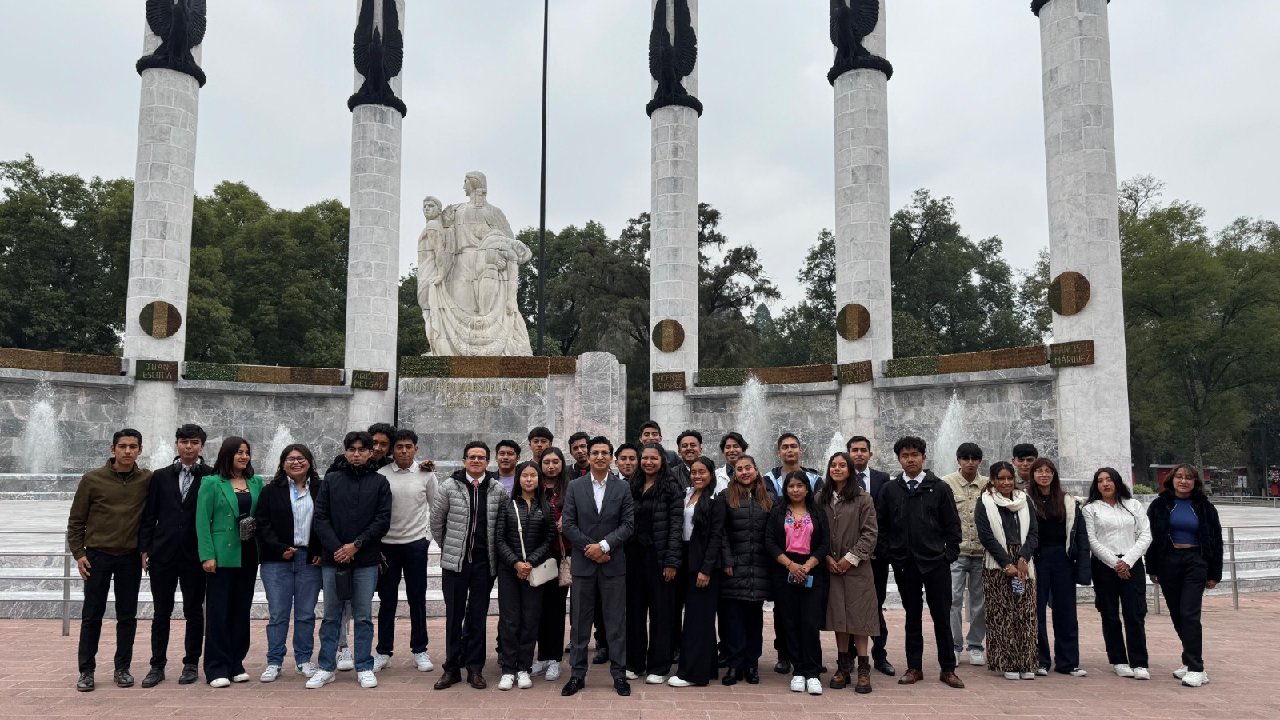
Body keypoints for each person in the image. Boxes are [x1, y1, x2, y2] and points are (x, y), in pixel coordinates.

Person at [876, 436, 964, 688]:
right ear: (899, 459)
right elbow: (881, 527)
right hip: (905, 564)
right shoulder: (890, 490)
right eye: (905, 455)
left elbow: (952, 526)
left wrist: (949, 554)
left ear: (924, 457)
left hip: (936, 563)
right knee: (912, 616)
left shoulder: (939, 487)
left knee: (941, 616)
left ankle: (948, 668)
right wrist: (890, 554)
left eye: (915, 454)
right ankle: (914, 667)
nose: (910, 459)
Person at [68, 428, 152, 692]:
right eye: (123, 446)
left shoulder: (147, 480)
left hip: (129, 557)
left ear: (140, 449)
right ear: (112, 448)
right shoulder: (92, 479)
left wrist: (147, 549)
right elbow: (76, 521)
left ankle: (122, 668)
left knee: (127, 616)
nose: (128, 451)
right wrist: (79, 554)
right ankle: (86, 671)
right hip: (97, 557)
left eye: (133, 446)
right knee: (92, 615)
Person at [307, 431, 393, 690]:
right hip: (333, 559)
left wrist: (355, 546)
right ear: (346, 451)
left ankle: (364, 666)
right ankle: (326, 667)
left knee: (364, 615)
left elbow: (382, 520)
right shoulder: (331, 481)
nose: (357, 454)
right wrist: (337, 548)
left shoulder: (380, 483)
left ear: (370, 453)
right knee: (331, 616)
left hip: (365, 559)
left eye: (362, 449)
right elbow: (320, 518)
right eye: (352, 449)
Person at [561, 436, 636, 697]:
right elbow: (568, 524)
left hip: (613, 565)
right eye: (596, 452)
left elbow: (628, 525)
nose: (600, 456)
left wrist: (603, 547)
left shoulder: (622, 488)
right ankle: (577, 675)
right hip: (583, 566)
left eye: (605, 452)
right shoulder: (575, 486)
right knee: (579, 624)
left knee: (615, 622)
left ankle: (619, 675)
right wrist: (591, 550)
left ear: (611, 457)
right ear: (589, 457)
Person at [430, 441, 507, 690]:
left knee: (477, 617)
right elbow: (436, 522)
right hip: (455, 565)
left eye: (481, 457)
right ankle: (451, 668)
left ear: (487, 462)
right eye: (471, 457)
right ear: (464, 461)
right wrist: (450, 549)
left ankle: (475, 668)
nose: (476, 461)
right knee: (454, 616)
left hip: (484, 565)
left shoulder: (496, 490)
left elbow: (502, 526)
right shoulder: (449, 486)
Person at [137, 423, 210, 688]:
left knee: (194, 611)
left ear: (202, 446)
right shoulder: (160, 476)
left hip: (195, 555)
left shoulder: (212, 477)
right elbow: (149, 516)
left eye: (193, 442)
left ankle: (191, 663)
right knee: (161, 611)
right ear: (176, 444)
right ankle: (157, 665)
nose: (188, 447)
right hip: (163, 554)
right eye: (183, 442)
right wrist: (144, 549)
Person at [1146, 464, 1223, 688]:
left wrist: (1214, 574)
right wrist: (1152, 568)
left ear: (1195, 482)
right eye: (1179, 477)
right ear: (1171, 480)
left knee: (1189, 614)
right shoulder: (1160, 505)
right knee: (1177, 615)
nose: (1183, 481)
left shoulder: (1205, 507)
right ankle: (1189, 661)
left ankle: (1197, 668)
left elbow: (1216, 542)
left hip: (1195, 562)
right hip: (1168, 562)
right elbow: (1150, 538)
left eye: (1189, 478)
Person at [196, 436, 264, 687]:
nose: (243, 456)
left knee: (240, 610)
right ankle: (216, 667)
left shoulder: (256, 482)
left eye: (246, 452)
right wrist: (207, 555)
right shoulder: (212, 483)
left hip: (248, 554)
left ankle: (236, 662)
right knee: (218, 611)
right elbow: (202, 521)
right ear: (227, 455)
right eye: (238, 452)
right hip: (221, 556)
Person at [254, 443, 323, 682]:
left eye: (301, 458)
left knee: (305, 614)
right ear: (283, 463)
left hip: (310, 560)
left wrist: (320, 550)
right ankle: (274, 661)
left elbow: (327, 521)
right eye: (290, 458)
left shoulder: (321, 489)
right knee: (278, 614)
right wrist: (279, 548)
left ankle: (304, 660)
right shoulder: (270, 491)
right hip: (277, 560)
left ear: (309, 462)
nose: (296, 462)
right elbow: (261, 524)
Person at [374, 429, 439, 673]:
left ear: (416, 449)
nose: (403, 450)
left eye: (408, 446)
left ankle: (420, 649)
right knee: (387, 600)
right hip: (387, 546)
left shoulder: (426, 474)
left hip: (415, 545)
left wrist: (427, 538)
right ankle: (383, 651)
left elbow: (436, 507)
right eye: (399, 446)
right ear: (392, 449)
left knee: (417, 599)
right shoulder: (381, 474)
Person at [1082, 467, 1152, 680]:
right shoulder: (1090, 509)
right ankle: (1119, 660)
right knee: (1110, 614)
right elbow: (1092, 541)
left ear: (1117, 482)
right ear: (1096, 485)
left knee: (1135, 613)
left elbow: (1145, 535)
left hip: (1132, 564)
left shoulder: (1133, 505)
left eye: (1109, 479)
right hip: (1104, 566)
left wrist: (1128, 561)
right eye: (1101, 480)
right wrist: (1115, 563)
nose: (1105, 484)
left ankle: (1139, 661)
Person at [817, 451, 879, 693]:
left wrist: (849, 559)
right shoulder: (820, 498)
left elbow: (870, 533)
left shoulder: (863, 499)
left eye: (843, 465)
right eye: (833, 465)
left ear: (851, 470)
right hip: (830, 567)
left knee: (859, 619)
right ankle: (843, 666)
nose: (838, 469)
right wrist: (827, 558)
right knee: (838, 618)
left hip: (857, 568)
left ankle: (864, 668)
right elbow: (814, 530)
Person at [766, 471, 831, 696]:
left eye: (799, 486)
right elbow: (770, 542)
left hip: (812, 571)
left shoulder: (817, 512)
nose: (795, 490)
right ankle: (799, 671)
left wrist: (808, 565)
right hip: (785, 570)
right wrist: (790, 565)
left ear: (807, 488)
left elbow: (825, 543)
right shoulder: (777, 512)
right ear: (785, 489)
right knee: (790, 622)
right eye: (791, 486)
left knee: (810, 622)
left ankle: (813, 672)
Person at [763, 433, 822, 674]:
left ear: (800, 450)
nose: (789, 451)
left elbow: (820, 514)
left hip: (810, 558)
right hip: (781, 555)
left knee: (809, 614)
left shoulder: (816, 479)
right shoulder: (769, 478)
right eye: (785, 447)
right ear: (779, 452)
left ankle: (810, 660)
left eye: (793, 446)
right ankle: (784, 653)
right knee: (783, 610)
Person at [494, 461, 556, 690]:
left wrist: (530, 562)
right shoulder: (507, 505)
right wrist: (516, 563)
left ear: (538, 480)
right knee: (510, 621)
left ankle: (524, 668)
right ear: (518, 479)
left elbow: (548, 540)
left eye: (533, 476)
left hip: (534, 571)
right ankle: (508, 669)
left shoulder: (545, 506)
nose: (529, 479)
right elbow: (499, 539)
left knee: (530, 620)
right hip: (510, 571)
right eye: (525, 476)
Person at [975, 461, 1039, 680]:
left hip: (1024, 562)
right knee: (1001, 614)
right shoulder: (985, 501)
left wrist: (1023, 558)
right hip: (997, 563)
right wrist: (1007, 564)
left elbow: (1033, 533)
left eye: (1009, 478)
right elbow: (986, 536)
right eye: (1000, 478)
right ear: (992, 480)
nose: (1005, 482)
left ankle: (1027, 661)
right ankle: (1007, 663)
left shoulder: (1025, 500)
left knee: (1026, 612)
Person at [624, 443, 682, 684]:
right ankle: (634, 663)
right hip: (633, 558)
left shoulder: (671, 487)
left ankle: (659, 666)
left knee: (661, 614)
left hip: (659, 559)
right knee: (634, 612)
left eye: (653, 458)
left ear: (662, 461)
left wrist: (671, 561)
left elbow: (676, 527)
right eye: (644, 458)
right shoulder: (631, 485)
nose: (648, 462)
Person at [1027, 458, 1090, 677]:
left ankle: (1068, 662)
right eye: (1039, 471)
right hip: (1037, 559)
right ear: (1033, 475)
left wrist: (1082, 567)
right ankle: (1039, 660)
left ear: (1054, 475)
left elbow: (1080, 536)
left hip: (1062, 559)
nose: (1044, 475)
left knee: (1066, 611)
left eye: (1048, 471)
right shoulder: (1025, 500)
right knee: (1035, 611)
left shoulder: (1067, 501)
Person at [667, 457, 725, 688]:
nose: (697, 476)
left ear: (711, 474)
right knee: (699, 618)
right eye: (694, 472)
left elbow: (716, 538)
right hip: (685, 560)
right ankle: (708, 668)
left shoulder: (716, 500)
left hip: (703, 563)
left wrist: (706, 569)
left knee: (696, 620)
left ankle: (692, 674)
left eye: (702, 472)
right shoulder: (687, 494)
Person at [717, 454, 773, 686]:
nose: (744, 472)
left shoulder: (769, 499)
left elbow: (773, 533)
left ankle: (751, 664)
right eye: (739, 469)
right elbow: (720, 532)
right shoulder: (726, 497)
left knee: (754, 618)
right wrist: (727, 559)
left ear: (756, 469)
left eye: (748, 467)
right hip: (734, 567)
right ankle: (734, 664)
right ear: (734, 473)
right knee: (733, 619)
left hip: (759, 567)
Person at [847, 434, 895, 677]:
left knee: (875, 606)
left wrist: (881, 549)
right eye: (854, 450)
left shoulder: (882, 480)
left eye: (863, 450)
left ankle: (880, 655)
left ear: (870, 454)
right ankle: (850, 656)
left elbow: (886, 517)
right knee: (849, 606)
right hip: (847, 557)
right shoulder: (840, 480)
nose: (859, 454)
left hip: (876, 557)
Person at [942, 442, 988, 666]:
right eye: (965, 458)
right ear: (958, 461)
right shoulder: (946, 483)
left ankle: (976, 644)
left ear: (979, 461)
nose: (970, 463)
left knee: (979, 601)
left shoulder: (988, 484)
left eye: (974, 458)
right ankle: (954, 645)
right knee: (953, 599)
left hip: (982, 552)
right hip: (956, 552)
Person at [532, 447, 572, 682]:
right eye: (547, 462)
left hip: (559, 555)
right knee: (537, 608)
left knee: (555, 610)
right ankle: (542, 657)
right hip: (537, 555)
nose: (551, 466)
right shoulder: (534, 486)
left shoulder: (570, 488)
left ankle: (554, 659)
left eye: (555, 461)